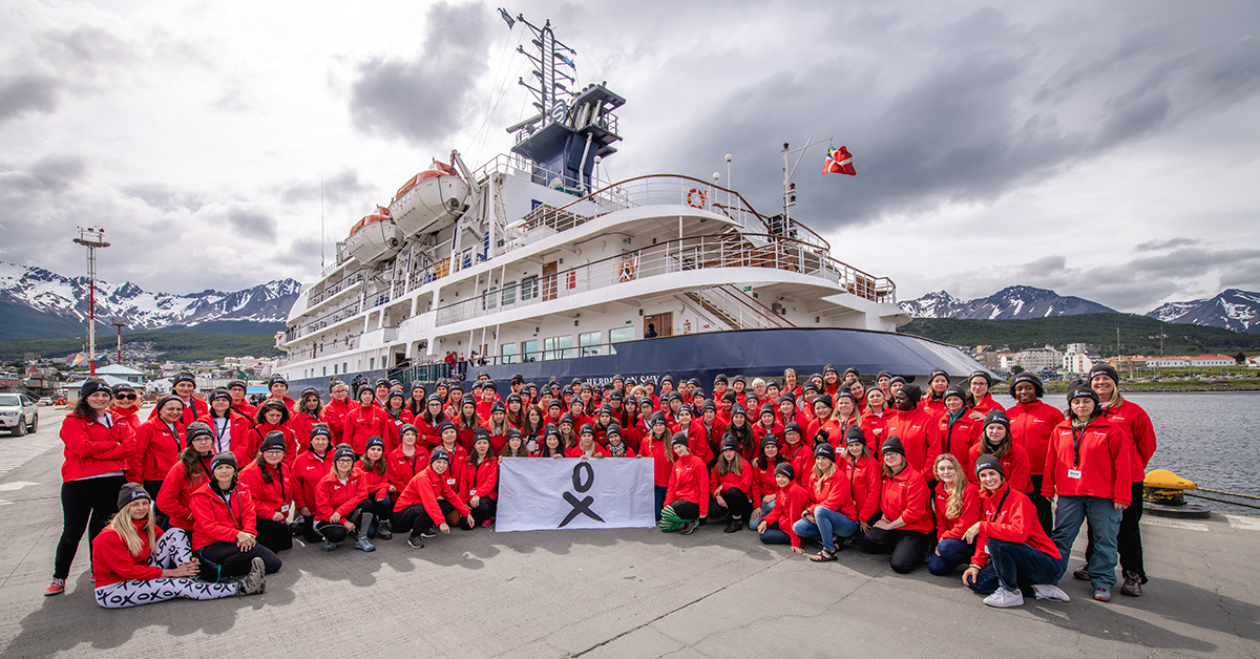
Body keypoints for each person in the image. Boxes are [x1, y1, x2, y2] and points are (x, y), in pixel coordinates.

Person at [92, 483, 264, 608]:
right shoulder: (109, 536)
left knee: (176, 532)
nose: (141, 508)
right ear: (124, 508)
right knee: (177, 586)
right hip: (114, 588)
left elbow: (168, 540)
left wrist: (187, 563)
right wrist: (173, 573)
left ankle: (191, 574)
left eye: (145, 503)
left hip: (142, 571)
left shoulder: (145, 524)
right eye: (135, 504)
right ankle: (241, 587)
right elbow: (130, 571)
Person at [1043, 384, 1131, 602]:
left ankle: (1102, 581)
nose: (1081, 405)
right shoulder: (1061, 430)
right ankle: (1051, 575)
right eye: (1076, 402)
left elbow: (1123, 465)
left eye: (1086, 401)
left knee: (1105, 539)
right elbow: (1051, 461)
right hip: (1069, 493)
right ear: (1070, 405)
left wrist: (1121, 496)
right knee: (1061, 536)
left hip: (1103, 495)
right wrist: (1047, 487)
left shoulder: (1111, 430)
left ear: (1095, 405)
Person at [49, 378, 133, 596]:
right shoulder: (73, 421)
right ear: (85, 397)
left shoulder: (119, 419)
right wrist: (113, 445)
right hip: (79, 483)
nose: (101, 399)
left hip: (112, 481)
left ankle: (98, 569)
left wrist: (102, 451)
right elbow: (81, 448)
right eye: (96, 395)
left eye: (105, 395)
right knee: (73, 531)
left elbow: (130, 446)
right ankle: (59, 577)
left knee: (102, 530)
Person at [1082, 364, 1157, 597]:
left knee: (1127, 527)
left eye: (1106, 379)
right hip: (1097, 479)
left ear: (1115, 383)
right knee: (1096, 525)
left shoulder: (1132, 412)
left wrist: (1132, 467)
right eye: (1096, 379)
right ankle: (1093, 565)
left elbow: (1147, 446)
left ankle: (1133, 573)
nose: (1101, 383)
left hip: (1128, 479)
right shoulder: (1087, 411)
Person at [962, 455, 1069, 607]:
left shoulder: (1019, 499)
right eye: (983, 475)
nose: (988, 478)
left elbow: (1019, 534)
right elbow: (984, 537)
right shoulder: (987, 500)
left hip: (1046, 564)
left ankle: (1010, 592)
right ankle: (1036, 589)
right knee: (977, 583)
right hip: (1019, 563)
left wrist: (983, 525)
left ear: (1001, 475)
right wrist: (976, 564)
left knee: (997, 541)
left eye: (992, 473)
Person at [190, 452, 283, 583]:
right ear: (213, 472)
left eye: (228, 467)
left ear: (234, 470)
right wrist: (238, 535)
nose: (224, 471)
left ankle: (227, 570)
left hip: (238, 539)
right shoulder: (200, 496)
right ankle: (210, 570)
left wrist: (248, 533)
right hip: (210, 543)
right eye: (219, 468)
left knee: (274, 564)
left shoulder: (243, 490)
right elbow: (209, 527)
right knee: (249, 549)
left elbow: (249, 515)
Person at [860, 436, 934, 574]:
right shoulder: (886, 476)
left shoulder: (914, 478)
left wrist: (888, 526)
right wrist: (884, 517)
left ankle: (922, 547)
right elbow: (886, 500)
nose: (890, 457)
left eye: (893, 453)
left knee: (899, 565)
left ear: (902, 455)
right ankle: (901, 548)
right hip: (894, 524)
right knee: (869, 540)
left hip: (915, 528)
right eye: (886, 454)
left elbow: (914, 512)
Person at [1005, 373, 1063, 534]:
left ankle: (1044, 551)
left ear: (1036, 389)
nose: (1024, 392)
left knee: (1042, 514)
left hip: (1041, 474)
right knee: (1015, 513)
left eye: (1028, 388)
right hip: (1015, 474)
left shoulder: (1053, 414)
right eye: (1019, 389)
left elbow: (1062, 446)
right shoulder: (1009, 414)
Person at [391, 449, 474, 548]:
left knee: (448, 505)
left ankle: (424, 527)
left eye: (444, 462)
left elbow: (451, 495)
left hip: (418, 507)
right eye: (438, 462)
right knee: (425, 509)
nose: (441, 465)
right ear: (431, 463)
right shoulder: (423, 478)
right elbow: (430, 502)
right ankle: (414, 536)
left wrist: (466, 513)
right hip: (401, 515)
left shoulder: (439, 477)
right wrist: (441, 522)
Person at [793, 442, 859, 562]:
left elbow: (833, 503)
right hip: (823, 516)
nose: (820, 461)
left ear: (831, 460)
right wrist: (809, 514)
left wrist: (810, 511)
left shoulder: (840, 477)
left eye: (824, 458)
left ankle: (829, 550)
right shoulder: (814, 476)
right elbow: (811, 499)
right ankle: (833, 538)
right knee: (798, 527)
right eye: (818, 458)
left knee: (820, 510)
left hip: (846, 522)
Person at [156, 421, 216, 549]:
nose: (204, 442)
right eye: (198, 439)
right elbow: (164, 501)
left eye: (207, 438)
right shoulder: (181, 468)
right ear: (191, 443)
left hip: (212, 524)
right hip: (187, 526)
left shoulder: (217, 462)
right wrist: (189, 514)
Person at [128, 395, 186, 518]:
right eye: (170, 409)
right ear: (160, 410)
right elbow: (135, 456)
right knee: (165, 510)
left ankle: (164, 534)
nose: (175, 412)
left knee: (168, 512)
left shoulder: (181, 428)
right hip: (156, 478)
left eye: (179, 409)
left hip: (177, 477)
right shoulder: (147, 428)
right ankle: (158, 534)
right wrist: (137, 483)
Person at [237, 432, 295, 553]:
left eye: (278, 452)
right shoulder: (251, 472)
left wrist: (284, 515)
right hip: (259, 516)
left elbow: (288, 494)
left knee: (286, 544)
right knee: (272, 547)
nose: (274, 455)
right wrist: (270, 514)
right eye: (270, 452)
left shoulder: (283, 468)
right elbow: (248, 501)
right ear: (262, 452)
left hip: (278, 514)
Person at [314, 443, 377, 552]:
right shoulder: (325, 482)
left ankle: (361, 538)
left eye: (348, 460)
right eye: (342, 460)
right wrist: (344, 521)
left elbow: (362, 494)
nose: (345, 463)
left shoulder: (358, 474)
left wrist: (340, 511)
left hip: (344, 513)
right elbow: (323, 509)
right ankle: (330, 539)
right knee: (339, 534)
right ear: (335, 462)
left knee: (366, 503)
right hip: (326, 518)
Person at [928, 454, 980, 576]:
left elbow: (967, 524)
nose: (946, 472)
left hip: (968, 538)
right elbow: (940, 521)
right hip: (950, 539)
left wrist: (944, 539)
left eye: (950, 468)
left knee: (945, 548)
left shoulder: (970, 490)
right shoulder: (939, 490)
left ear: (957, 469)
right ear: (937, 471)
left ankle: (974, 560)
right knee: (935, 568)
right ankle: (956, 557)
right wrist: (940, 538)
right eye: (942, 469)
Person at [967, 410, 1032, 494]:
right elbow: (975, 480)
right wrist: (987, 498)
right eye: (991, 427)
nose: (995, 431)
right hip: (985, 495)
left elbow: (1018, 483)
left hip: (1014, 495)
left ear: (1006, 431)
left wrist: (1000, 498)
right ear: (985, 430)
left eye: (1000, 428)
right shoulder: (975, 451)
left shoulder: (1019, 452)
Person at [659, 433, 709, 535]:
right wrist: (667, 504)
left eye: (680, 446)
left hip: (693, 501)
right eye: (676, 448)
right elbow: (672, 487)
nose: (678, 450)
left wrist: (703, 510)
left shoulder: (698, 463)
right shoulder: (676, 465)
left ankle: (693, 519)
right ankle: (687, 520)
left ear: (686, 446)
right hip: (680, 500)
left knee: (666, 513)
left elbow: (704, 487)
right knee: (664, 526)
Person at [292, 424, 334, 543]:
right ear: (311, 441)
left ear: (329, 440)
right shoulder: (301, 459)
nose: (320, 442)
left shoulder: (338, 456)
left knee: (337, 534)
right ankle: (299, 525)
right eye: (317, 439)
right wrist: (302, 506)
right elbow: (296, 485)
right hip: (312, 509)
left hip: (335, 507)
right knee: (313, 538)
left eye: (323, 439)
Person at [756, 463, 812, 553]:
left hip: (794, 528)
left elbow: (795, 517)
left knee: (764, 536)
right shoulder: (784, 489)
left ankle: (792, 537)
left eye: (783, 477)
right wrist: (765, 521)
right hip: (785, 521)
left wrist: (795, 542)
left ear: (790, 477)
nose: (780, 480)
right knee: (761, 523)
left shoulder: (794, 492)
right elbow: (778, 509)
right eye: (778, 476)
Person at [838, 426, 882, 533]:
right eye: (851, 445)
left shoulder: (872, 464)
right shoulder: (847, 460)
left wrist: (863, 517)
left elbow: (874, 494)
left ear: (863, 445)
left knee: (866, 547)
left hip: (867, 514)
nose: (854, 448)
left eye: (857, 445)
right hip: (851, 511)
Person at [709, 435, 753, 533]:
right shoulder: (718, 465)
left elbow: (745, 487)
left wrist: (724, 486)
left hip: (741, 499)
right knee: (713, 510)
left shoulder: (744, 465)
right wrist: (717, 496)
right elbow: (713, 484)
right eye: (725, 451)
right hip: (724, 497)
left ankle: (737, 520)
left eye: (731, 450)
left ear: (735, 451)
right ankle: (729, 513)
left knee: (732, 492)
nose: (728, 453)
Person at [354, 436, 394, 539]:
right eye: (373, 449)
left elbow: (384, 482)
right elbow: (362, 488)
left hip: (376, 498)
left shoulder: (383, 465)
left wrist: (382, 490)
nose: (376, 452)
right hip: (363, 502)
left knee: (386, 499)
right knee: (370, 534)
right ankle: (357, 523)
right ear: (366, 450)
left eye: (379, 449)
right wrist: (384, 486)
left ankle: (383, 525)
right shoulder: (357, 466)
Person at [202, 387, 254, 465]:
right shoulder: (203, 422)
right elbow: (203, 443)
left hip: (235, 463)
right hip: (211, 462)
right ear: (211, 402)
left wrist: (231, 459)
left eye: (224, 400)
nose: (220, 402)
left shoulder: (240, 420)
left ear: (229, 402)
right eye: (217, 400)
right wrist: (215, 459)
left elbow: (243, 443)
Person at [638, 414, 673, 519]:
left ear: (665, 426)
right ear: (652, 427)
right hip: (654, 483)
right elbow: (643, 461)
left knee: (669, 513)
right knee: (657, 516)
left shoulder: (671, 441)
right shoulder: (645, 441)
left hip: (669, 482)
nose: (658, 427)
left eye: (661, 425)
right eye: (656, 425)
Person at [465, 433, 499, 527]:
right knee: (465, 524)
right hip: (469, 496)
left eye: (485, 443)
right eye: (479, 443)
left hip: (486, 496)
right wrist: (463, 502)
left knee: (482, 505)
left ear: (489, 445)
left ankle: (487, 516)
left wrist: (477, 495)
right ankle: (477, 516)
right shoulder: (467, 461)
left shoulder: (493, 460)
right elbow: (463, 482)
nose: (482, 446)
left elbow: (490, 482)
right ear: (474, 445)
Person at [346, 385, 390, 456]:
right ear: (360, 396)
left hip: (376, 451)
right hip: (358, 452)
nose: (367, 396)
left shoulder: (381, 413)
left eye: (370, 394)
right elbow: (347, 437)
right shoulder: (351, 414)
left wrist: (385, 453)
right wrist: (347, 453)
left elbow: (385, 434)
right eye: (364, 393)